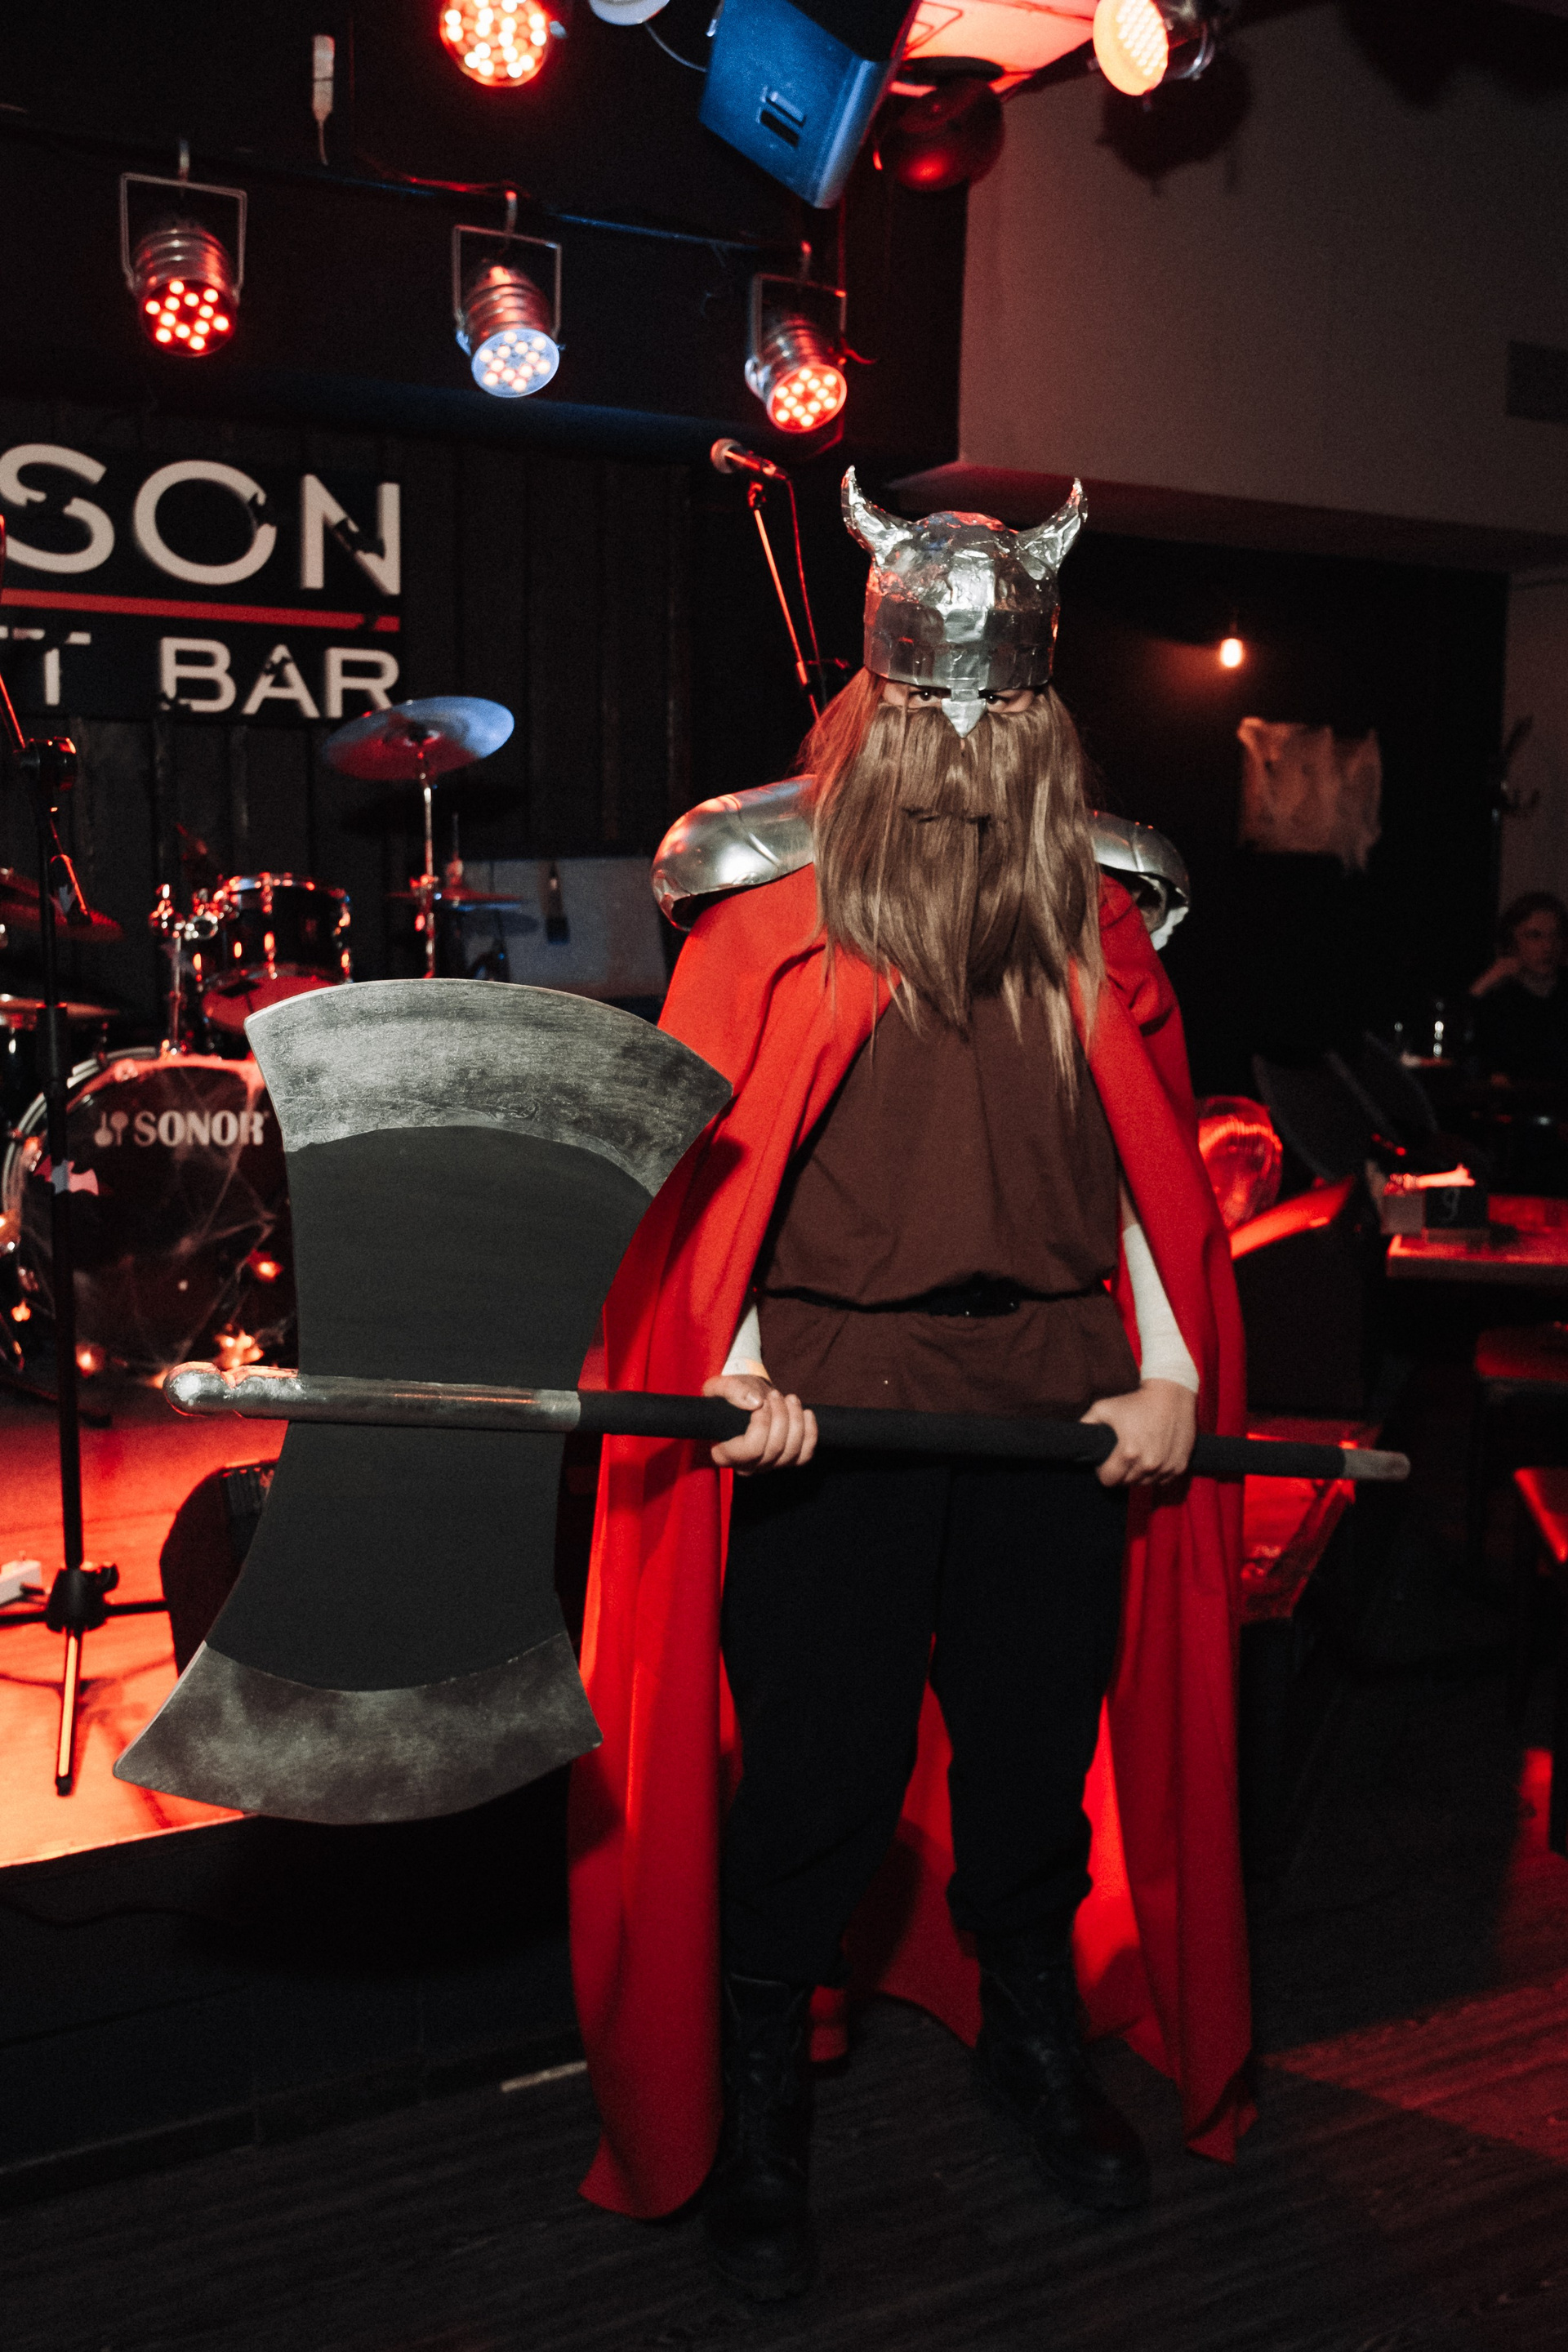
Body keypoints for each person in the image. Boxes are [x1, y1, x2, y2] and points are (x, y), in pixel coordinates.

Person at [568, 474, 1250, 2301]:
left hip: (1054, 1396)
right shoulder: (764, 896)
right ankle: (760, 2108)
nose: (955, 743)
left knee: (1031, 1766)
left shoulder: (1100, 904)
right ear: (871, 693)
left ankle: (1033, 2043)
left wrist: (1168, 1367)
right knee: (821, 1778)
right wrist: (733, 1363)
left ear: (1040, 711)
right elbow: (699, 1173)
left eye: (991, 710)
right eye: (926, 706)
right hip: (835, 1391)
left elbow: (1151, 1171)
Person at [1468, 891, 1568, 1083]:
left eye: (1555, 936)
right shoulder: (1500, 998)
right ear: (1512, 942)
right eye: (1534, 936)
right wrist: (1483, 985)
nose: (1548, 947)